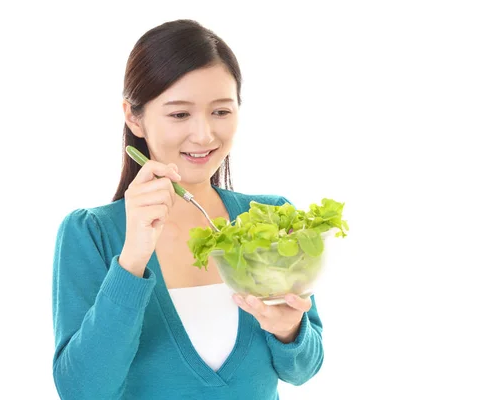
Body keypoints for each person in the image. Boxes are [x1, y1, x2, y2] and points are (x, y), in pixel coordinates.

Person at [52, 19, 324, 400]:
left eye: (221, 112)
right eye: (180, 114)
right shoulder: (91, 233)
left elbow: (303, 370)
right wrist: (133, 258)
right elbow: (83, 392)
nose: (204, 135)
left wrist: (289, 330)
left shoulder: (272, 218)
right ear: (134, 117)